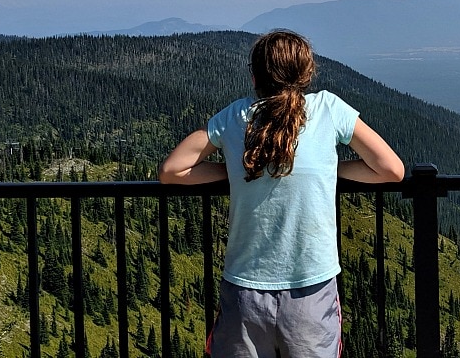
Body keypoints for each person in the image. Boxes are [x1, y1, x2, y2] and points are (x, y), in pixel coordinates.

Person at [159, 29, 404, 358]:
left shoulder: (235, 116)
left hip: (245, 285)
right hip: (312, 289)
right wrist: (331, 168)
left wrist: (236, 172)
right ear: (307, 72)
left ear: (254, 75)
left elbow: (172, 170)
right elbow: (391, 169)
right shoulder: (329, 109)